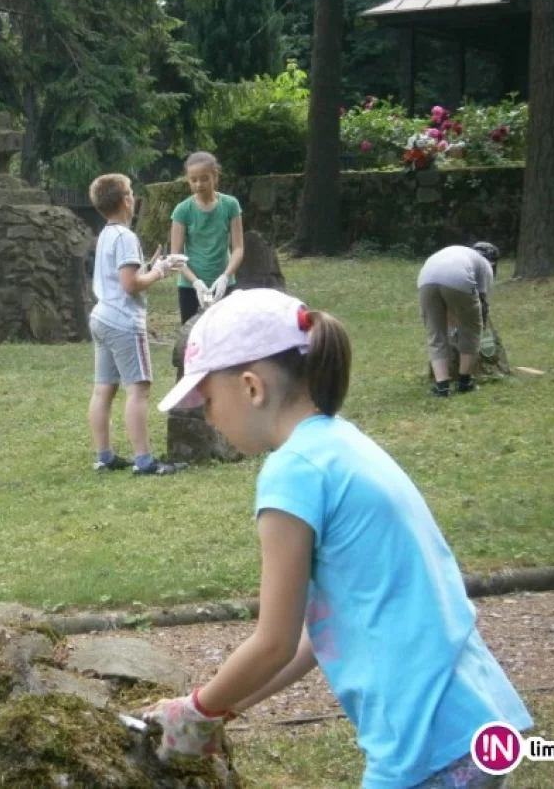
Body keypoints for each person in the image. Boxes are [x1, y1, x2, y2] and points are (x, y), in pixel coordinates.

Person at [143, 288, 532, 788]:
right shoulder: (341, 444)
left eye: (208, 399)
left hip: (422, 743)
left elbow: (274, 642)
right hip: (474, 718)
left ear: (250, 387)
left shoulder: (292, 473)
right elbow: (312, 635)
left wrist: (195, 708)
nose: (208, 415)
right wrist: (223, 708)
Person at [87, 174, 187, 477]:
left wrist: (149, 267)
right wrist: (160, 271)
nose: (134, 196)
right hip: (124, 322)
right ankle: (144, 461)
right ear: (125, 200)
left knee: (103, 389)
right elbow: (131, 285)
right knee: (139, 388)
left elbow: (121, 277)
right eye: (131, 191)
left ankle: (104, 457)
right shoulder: (126, 237)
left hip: (102, 317)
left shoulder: (106, 233)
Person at [171, 151, 244, 324]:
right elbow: (176, 254)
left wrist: (226, 276)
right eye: (193, 180)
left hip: (223, 284)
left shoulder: (230, 205)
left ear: (215, 176)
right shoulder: (182, 210)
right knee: (192, 338)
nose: (199, 184)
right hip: (190, 286)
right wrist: (195, 282)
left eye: (204, 179)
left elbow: (238, 247)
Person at [417, 242, 498, 397]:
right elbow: (482, 301)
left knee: (436, 334)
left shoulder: (460, 252)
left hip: (425, 279)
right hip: (457, 277)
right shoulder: (485, 265)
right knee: (471, 329)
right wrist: (482, 325)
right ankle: (464, 382)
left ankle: (441, 387)